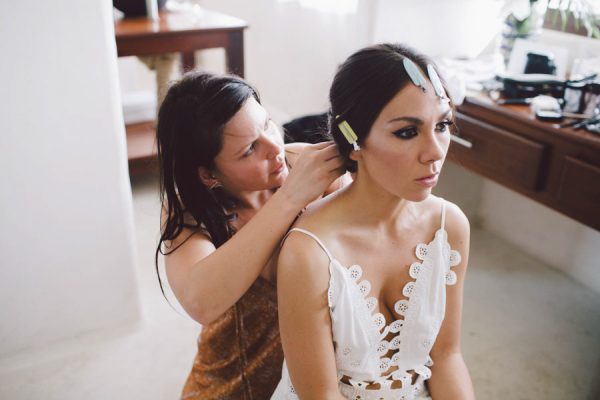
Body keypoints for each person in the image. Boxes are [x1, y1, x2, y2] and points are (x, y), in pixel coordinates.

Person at [271, 43, 476, 399]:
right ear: (353, 141)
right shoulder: (308, 253)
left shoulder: (450, 226)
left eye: (442, 124)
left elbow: (445, 356)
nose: (436, 151)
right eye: (407, 132)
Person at [155, 71, 346, 399]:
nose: (275, 147)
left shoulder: (307, 165)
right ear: (207, 174)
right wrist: (289, 199)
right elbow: (201, 302)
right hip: (234, 383)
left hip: (322, 381)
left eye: (268, 123)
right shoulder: (189, 212)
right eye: (248, 150)